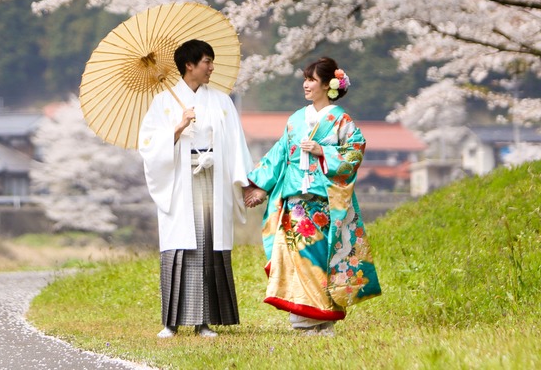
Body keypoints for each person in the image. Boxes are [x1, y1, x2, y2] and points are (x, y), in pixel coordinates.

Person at [243, 57, 382, 335]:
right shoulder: (296, 119)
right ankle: (304, 316)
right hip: (295, 200)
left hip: (325, 201)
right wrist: (259, 186)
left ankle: (322, 316)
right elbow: (280, 154)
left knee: (320, 259)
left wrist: (323, 152)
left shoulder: (341, 119)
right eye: (305, 79)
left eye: (312, 80)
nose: (306, 85)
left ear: (328, 85)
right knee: (296, 256)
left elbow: (355, 150)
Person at [138, 39, 253, 339]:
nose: (211, 68)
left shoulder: (222, 101)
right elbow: (149, 146)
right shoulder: (163, 102)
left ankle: (204, 321)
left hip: (211, 176)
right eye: (206, 62)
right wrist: (177, 127)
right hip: (179, 179)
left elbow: (236, 144)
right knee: (180, 246)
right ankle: (171, 322)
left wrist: (246, 183)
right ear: (189, 65)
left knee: (207, 243)